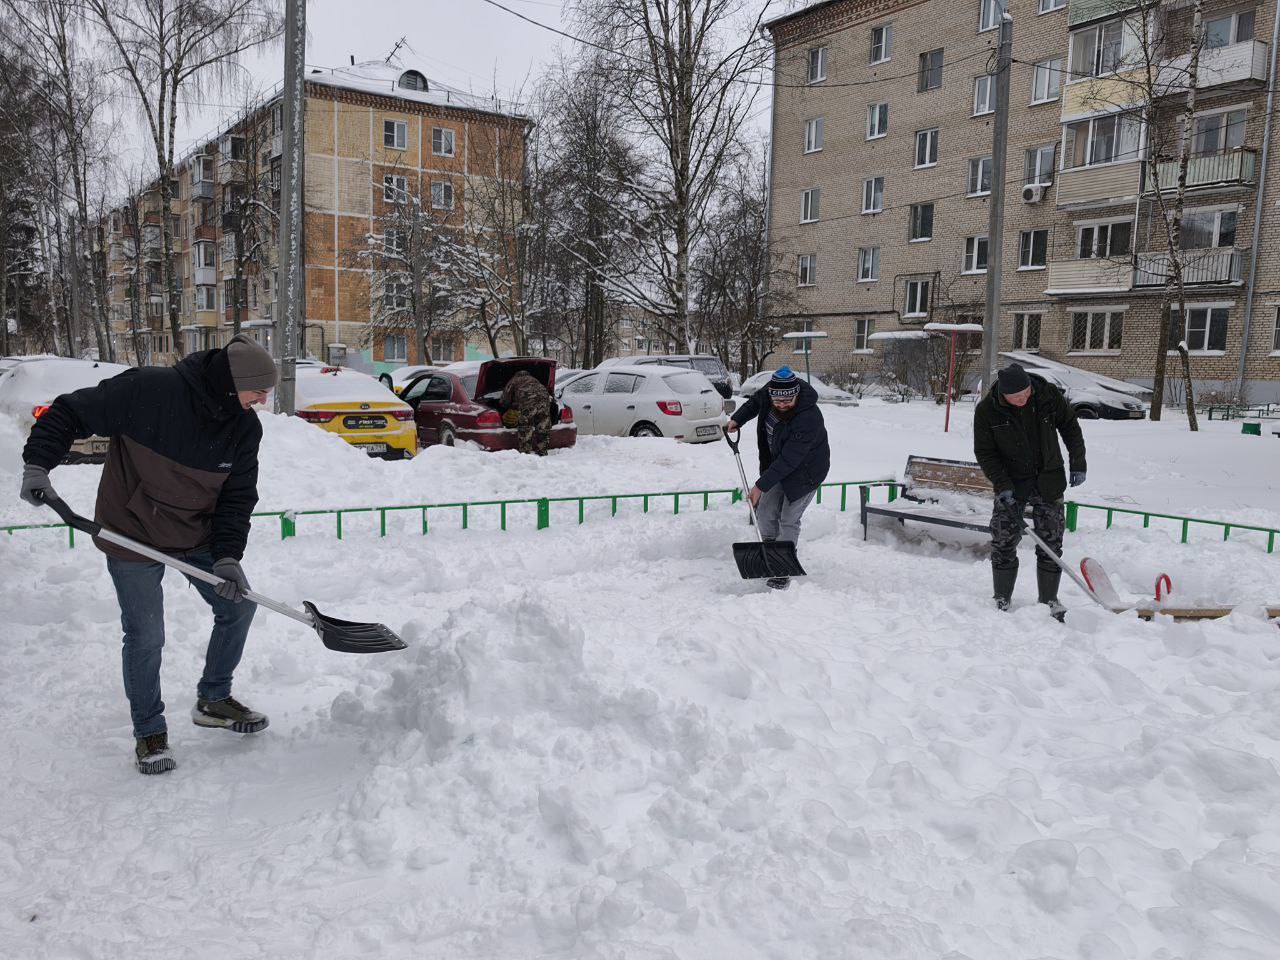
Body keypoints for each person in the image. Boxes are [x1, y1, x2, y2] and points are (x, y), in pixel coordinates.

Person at [19, 334, 278, 775]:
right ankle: (149, 731)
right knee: (146, 635)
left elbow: (237, 498)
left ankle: (214, 699)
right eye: (258, 391)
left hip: (195, 536)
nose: (263, 401)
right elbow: (69, 412)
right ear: (232, 382)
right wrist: (37, 465)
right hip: (131, 533)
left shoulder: (244, 428)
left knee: (238, 607)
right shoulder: (149, 390)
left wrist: (228, 556)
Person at [973, 362, 1086, 620]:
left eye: (1026, 393)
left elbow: (1070, 426)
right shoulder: (988, 410)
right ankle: (1002, 596)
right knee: (1003, 540)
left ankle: (1049, 599)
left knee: (1051, 543)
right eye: (1017, 396)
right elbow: (985, 453)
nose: (1023, 398)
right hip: (1012, 484)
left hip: (1049, 478)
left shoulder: (1046, 394)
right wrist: (1002, 485)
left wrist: (1078, 463)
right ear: (1004, 394)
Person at [725, 366, 830, 590]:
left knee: (788, 518)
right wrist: (737, 419)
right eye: (777, 400)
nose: (781, 405)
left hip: (806, 472)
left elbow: (790, 459)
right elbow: (755, 403)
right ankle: (771, 552)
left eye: (787, 401)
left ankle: (782, 566)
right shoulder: (769, 393)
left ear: (796, 395)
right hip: (777, 465)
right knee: (764, 512)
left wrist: (759, 486)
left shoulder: (808, 417)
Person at [501, 369, 554, 456]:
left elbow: (505, 399)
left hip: (528, 402)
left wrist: (507, 406)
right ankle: (543, 451)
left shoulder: (514, 380)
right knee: (543, 426)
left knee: (525, 426)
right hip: (544, 400)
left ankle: (525, 453)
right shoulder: (534, 379)